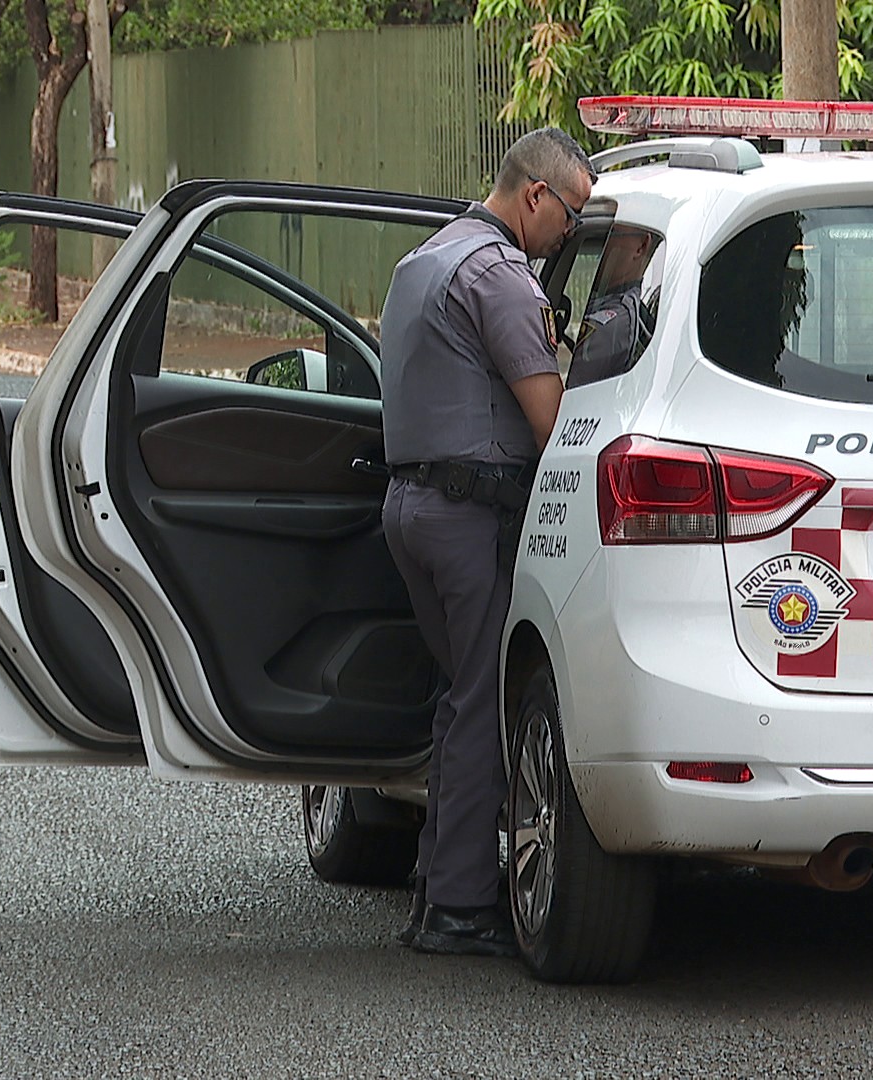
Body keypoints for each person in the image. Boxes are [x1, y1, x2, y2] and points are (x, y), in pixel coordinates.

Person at [378, 127, 593, 957]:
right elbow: (553, 423)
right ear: (534, 195)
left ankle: (438, 884)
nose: (568, 235)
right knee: (478, 705)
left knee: (458, 697)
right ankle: (459, 909)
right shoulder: (499, 277)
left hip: (411, 507)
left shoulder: (426, 258)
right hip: (470, 518)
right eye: (570, 218)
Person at [566, 226, 658, 389]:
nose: (602, 240)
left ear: (641, 245)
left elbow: (564, 399)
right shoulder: (636, 312)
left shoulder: (613, 325)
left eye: (611, 231)